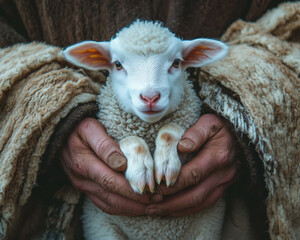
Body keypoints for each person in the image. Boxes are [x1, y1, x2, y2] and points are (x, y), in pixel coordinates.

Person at [0, 1, 299, 240]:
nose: (150, 92)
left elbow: (291, 26)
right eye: (118, 65)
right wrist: (50, 118)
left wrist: (247, 118)